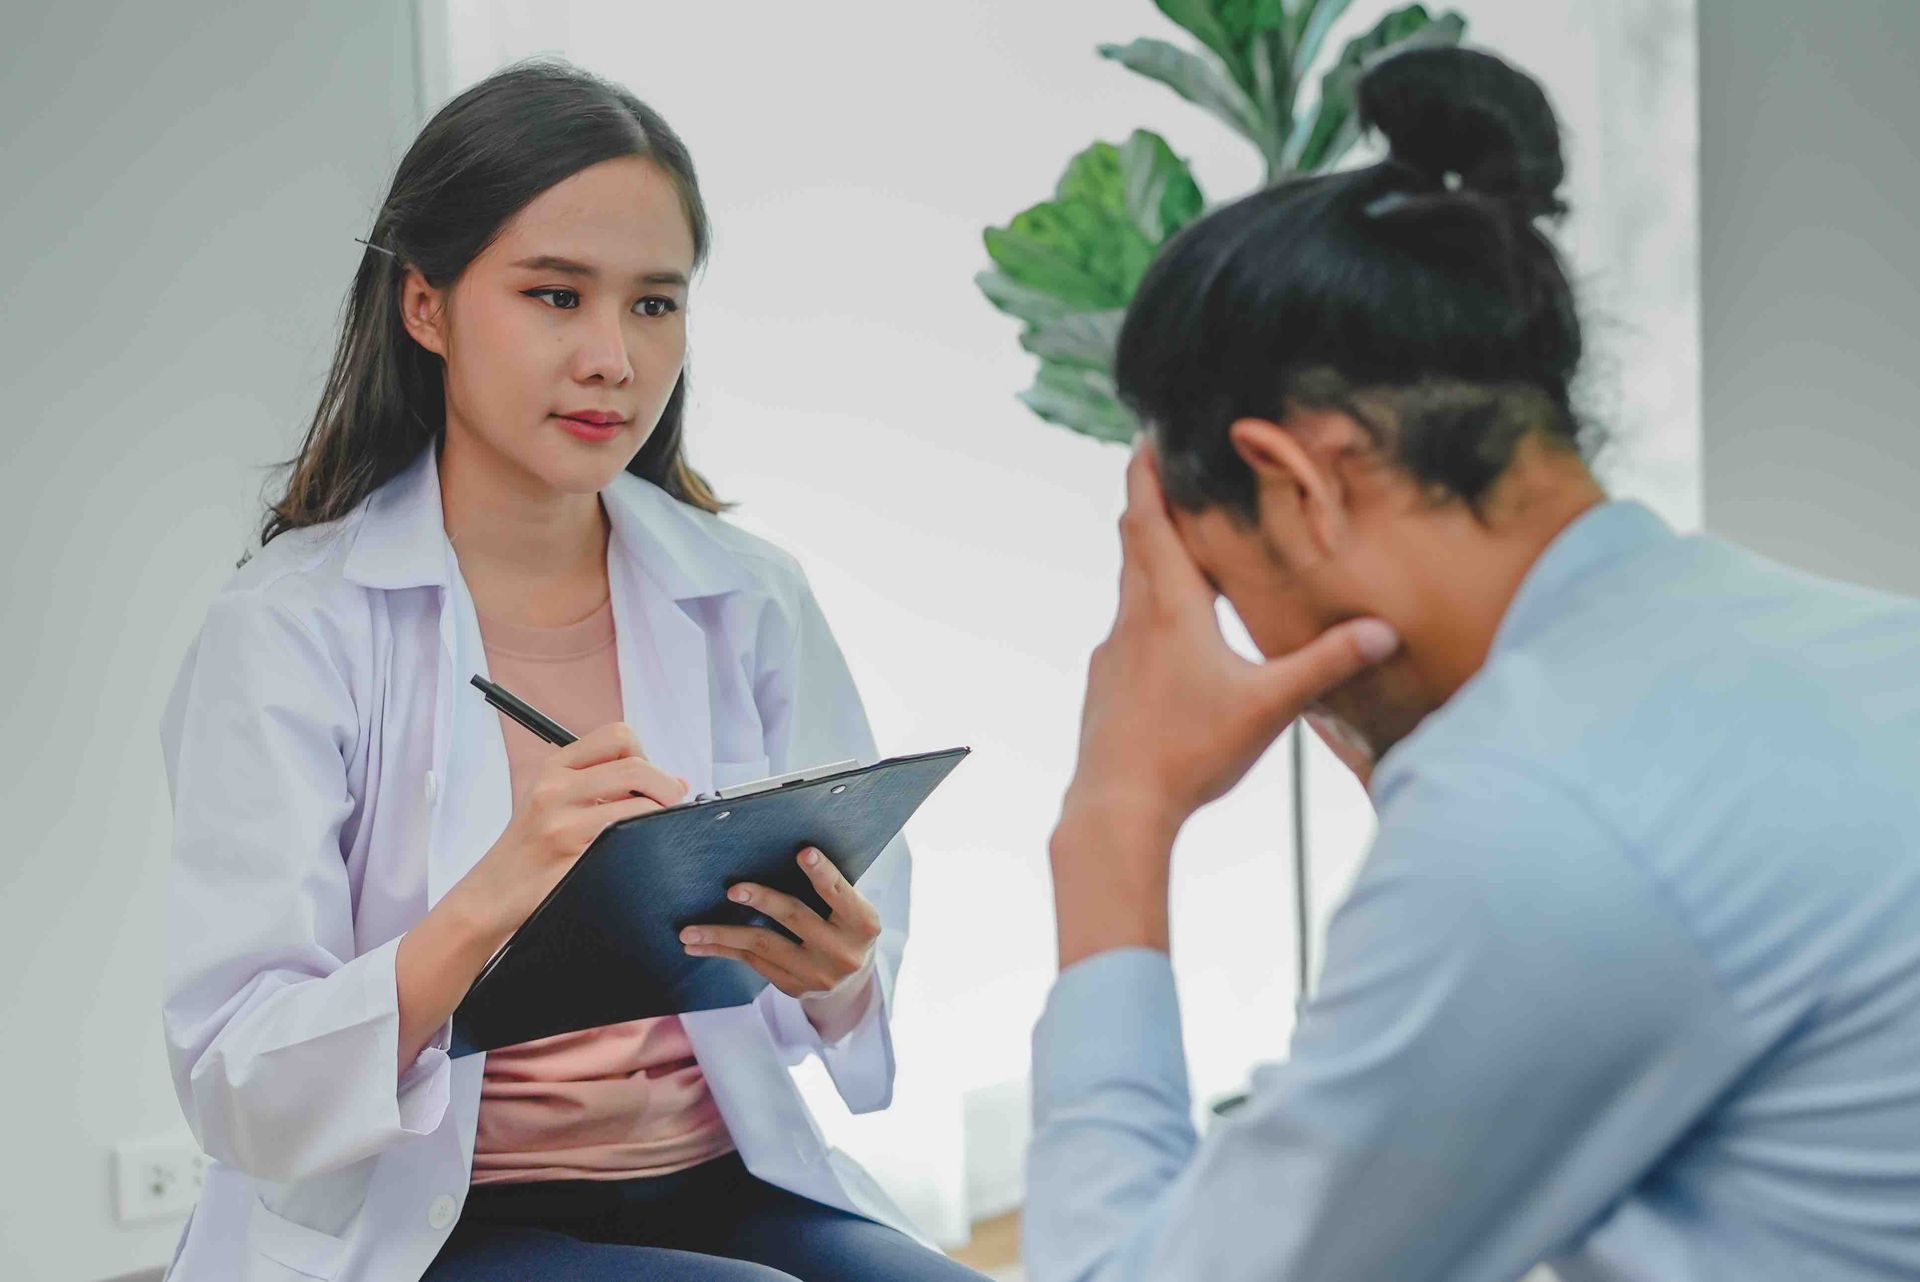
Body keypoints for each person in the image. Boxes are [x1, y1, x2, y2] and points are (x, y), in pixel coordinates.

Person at [1029, 43, 1920, 1282]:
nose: (1251, 651)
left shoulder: (1539, 811)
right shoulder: (1835, 646)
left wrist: (1113, 824)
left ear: (1301, 483)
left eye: (1226, 588)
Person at [157, 59, 985, 1282]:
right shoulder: (289, 627)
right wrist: (498, 896)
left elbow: (849, 989)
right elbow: (239, 1078)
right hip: (435, 1221)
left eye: (655, 305)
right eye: (556, 296)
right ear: (425, 307)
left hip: (723, 1179)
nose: (613, 357)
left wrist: (839, 972)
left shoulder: (748, 594)